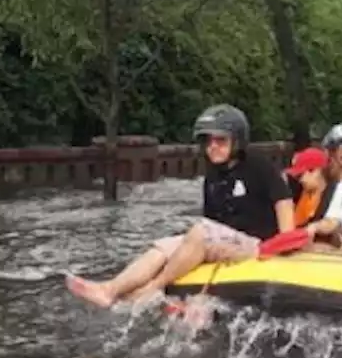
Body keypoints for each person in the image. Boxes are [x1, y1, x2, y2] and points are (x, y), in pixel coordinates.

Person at [66, 104, 294, 308]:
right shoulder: (213, 175)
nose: (212, 147)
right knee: (162, 248)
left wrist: (285, 244)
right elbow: (212, 221)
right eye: (208, 141)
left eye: (221, 140)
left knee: (199, 232)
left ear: (238, 141)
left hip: (257, 245)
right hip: (224, 241)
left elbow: (283, 202)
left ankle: (155, 287)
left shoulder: (259, 165)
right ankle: (109, 290)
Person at [286, 147, 337, 228]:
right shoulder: (305, 193)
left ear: (316, 171)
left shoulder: (336, 194)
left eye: (301, 175)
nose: (300, 180)